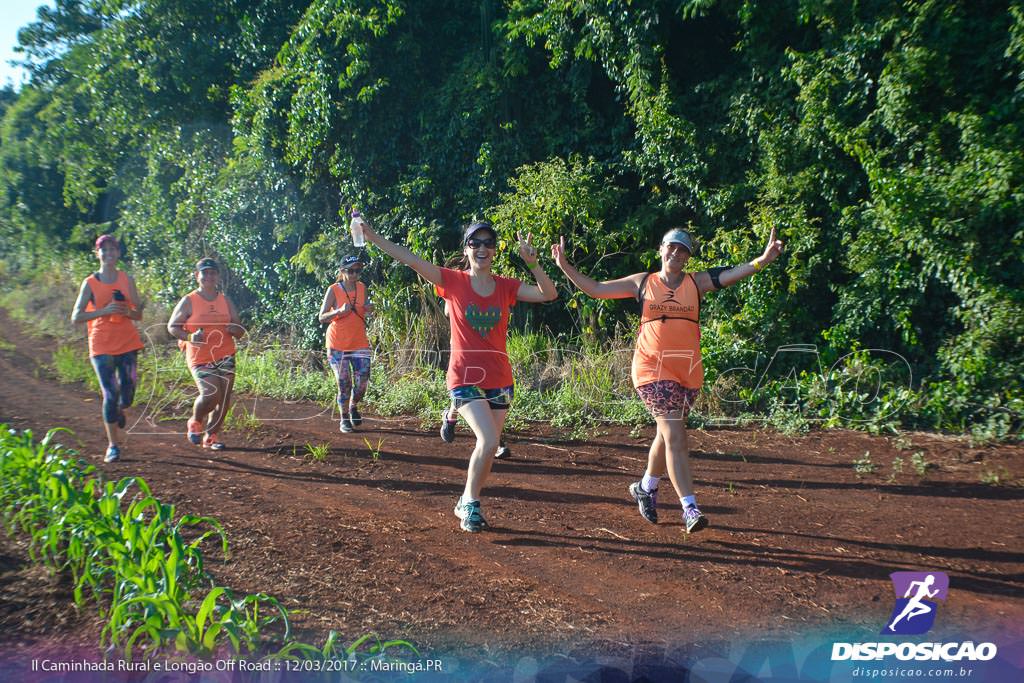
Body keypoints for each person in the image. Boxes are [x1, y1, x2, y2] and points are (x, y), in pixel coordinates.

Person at [552, 227, 784, 533]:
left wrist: (762, 261)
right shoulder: (643, 282)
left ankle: (646, 487)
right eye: (672, 247)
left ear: (688, 257)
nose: (677, 254)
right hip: (650, 370)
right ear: (661, 249)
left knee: (667, 435)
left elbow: (731, 274)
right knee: (676, 436)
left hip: (687, 372)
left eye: (683, 250)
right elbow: (596, 288)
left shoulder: (697, 282)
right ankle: (690, 508)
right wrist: (565, 267)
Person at [361, 218, 557, 531]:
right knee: (490, 439)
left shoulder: (506, 286)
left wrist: (532, 263)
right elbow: (408, 257)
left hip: (500, 378)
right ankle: (469, 502)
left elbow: (548, 294)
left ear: (494, 250)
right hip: (464, 376)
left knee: (490, 447)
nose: (482, 248)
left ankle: (467, 497)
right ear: (465, 249)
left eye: (487, 243)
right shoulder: (452, 281)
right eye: (474, 243)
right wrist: (373, 237)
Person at [70, 234, 145, 463]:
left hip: (127, 342)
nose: (109, 253)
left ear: (118, 253)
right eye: (104, 250)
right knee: (110, 393)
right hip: (101, 344)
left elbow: (138, 314)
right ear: (98, 254)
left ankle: (120, 410)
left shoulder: (126, 279)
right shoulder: (90, 283)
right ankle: (113, 445)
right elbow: (76, 317)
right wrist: (104, 310)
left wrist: (127, 312)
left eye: (113, 250)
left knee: (128, 392)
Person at [166, 257, 245, 451]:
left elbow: (240, 330)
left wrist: (234, 329)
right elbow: (172, 327)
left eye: (212, 272)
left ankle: (211, 436)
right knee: (211, 393)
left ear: (217, 276)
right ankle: (196, 420)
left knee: (224, 399)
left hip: (225, 352)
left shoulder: (225, 300)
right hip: (199, 355)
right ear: (197, 276)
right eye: (205, 272)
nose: (209, 276)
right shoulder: (189, 300)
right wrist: (190, 337)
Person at [436, 293, 511, 458]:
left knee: (493, 394)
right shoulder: (457, 284)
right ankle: (451, 417)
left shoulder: (491, 287)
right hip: (464, 347)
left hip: (490, 353)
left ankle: (495, 440)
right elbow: (448, 311)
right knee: (466, 389)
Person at [319, 255, 375, 433]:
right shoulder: (333, 290)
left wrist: (368, 309)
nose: (354, 274)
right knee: (344, 383)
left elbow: (364, 309)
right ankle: (344, 418)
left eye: (357, 270)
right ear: (342, 271)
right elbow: (321, 317)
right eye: (350, 270)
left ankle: (353, 406)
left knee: (362, 383)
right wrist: (338, 311)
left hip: (359, 342)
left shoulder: (361, 287)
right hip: (337, 345)